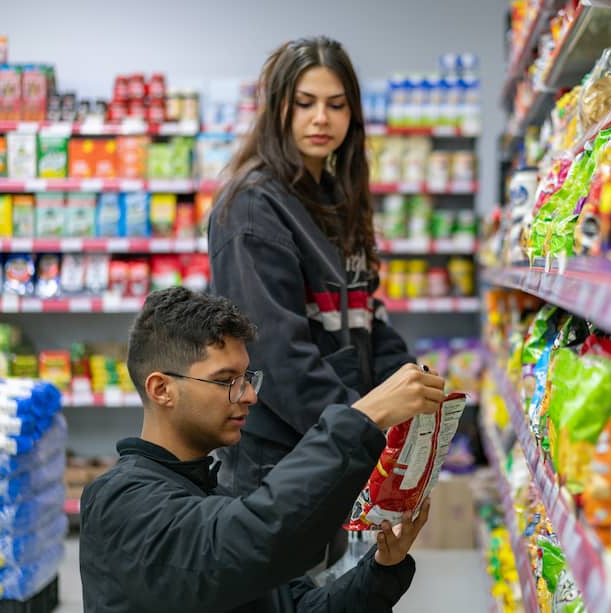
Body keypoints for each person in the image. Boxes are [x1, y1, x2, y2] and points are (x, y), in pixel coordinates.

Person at [79, 287, 446, 613]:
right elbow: (246, 544)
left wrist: (381, 567)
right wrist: (363, 417)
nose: (250, 395)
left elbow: (300, 606)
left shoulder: (211, 492)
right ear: (161, 390)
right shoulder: (118, 501)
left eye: (247, 379)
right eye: (226, 381)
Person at [208, 36, 415, 568]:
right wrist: (366, 427)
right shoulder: (254, 207)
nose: (321, 118)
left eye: (336, 103)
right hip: (278, 462)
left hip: (330, 444)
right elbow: (278, 357)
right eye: (304, 102)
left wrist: (414, 394)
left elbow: (368, 320)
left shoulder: (336, 200)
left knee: (326, 589)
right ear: (277, 108)